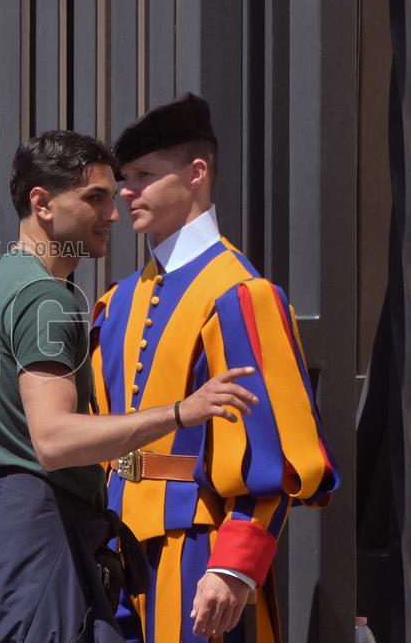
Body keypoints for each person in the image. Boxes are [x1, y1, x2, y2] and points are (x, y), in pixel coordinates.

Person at [0, 130, 259, 643]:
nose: (113, 213)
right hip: (36, 545)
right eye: (95, 198)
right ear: (41, 203)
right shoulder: (47, 298)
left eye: (114, 195)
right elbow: (55, 440)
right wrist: (180, 412)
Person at [93, 93, 340, 642]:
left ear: (197, 173)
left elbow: (271, 453)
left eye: (143, 175)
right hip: (112, 546)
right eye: (123, 177)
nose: (125, 191)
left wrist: (234, 566)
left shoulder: (240, 295)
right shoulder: (116, 302)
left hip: (197, 548)